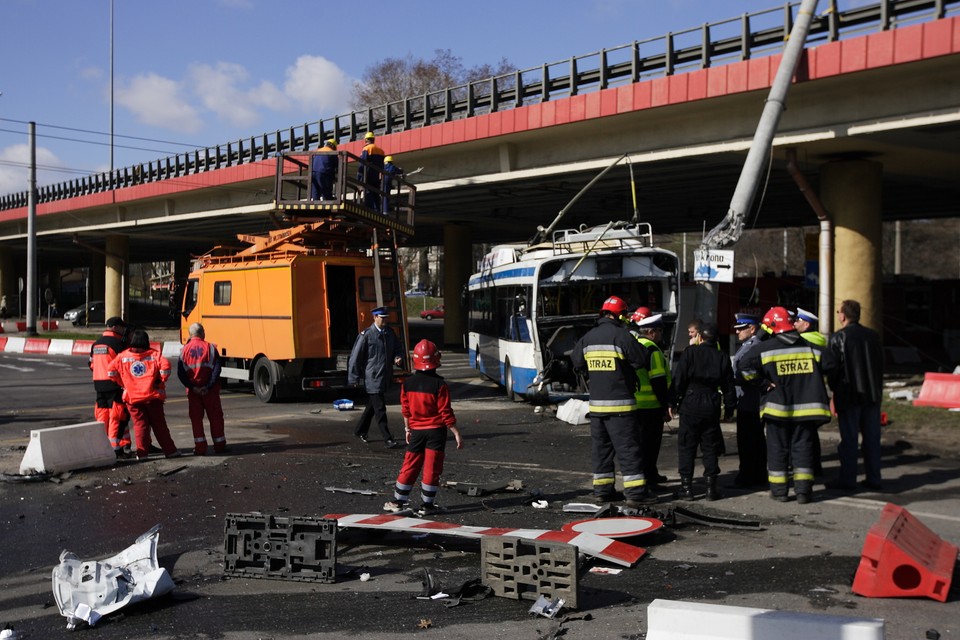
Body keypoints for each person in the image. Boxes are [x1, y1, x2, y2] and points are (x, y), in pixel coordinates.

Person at [740, 307, 836, 504]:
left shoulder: (765, 349)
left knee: (777, 449)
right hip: (807, 410)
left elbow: (744, 366)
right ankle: (803, 492)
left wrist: (763, 384)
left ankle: (779, 491)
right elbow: (832, 363)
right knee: (803, 449)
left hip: (777, 409)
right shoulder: (810, 348)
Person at [571, 296, 657, 507]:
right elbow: (641, 360)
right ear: (620, 315)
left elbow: (576, 361)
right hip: (622, 407)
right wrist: (634, 338)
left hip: (597, 408)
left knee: (601, 451)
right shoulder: (622, 336)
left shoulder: (588, 337)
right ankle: (636, 494)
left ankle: (603, 491)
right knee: (628, 450)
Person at [384, 340, 462, 515]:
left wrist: (407, 429)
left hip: (417, 431)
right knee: (431, 467)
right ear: (436, 360)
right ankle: (427, 505)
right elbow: (445, 411)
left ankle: (398, 501)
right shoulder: (440, 385)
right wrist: (456, 432)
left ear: (415, 360)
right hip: (436, 432)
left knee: (410, 464)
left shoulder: (407, 384)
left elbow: (406, 410)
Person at [671, 322, 736, 501]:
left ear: (700, 337)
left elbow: (679, 380)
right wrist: (730, 408)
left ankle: (686, 488)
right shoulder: (722, 357)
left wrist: (672, 401)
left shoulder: (690, 353)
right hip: (711, 404)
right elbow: (729, 385)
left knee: (687, 447)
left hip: (690, 403)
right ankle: (711, 489)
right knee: (710, 447)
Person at [828, 299, 884, 491]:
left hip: (849, 395)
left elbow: (832, 368)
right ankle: (874, 478)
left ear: (843, 315)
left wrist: (834, 389)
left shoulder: (838, 338)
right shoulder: (873, 336)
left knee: (849, 440)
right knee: (872, 439)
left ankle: (848, 479)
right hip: (872, 394)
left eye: (838, 312)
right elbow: (880, 366)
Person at [107, 329, 181, 461]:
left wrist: (123, 383)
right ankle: (170, 451)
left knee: (140, 426)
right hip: (153, 398)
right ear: (146, 341)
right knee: (160, 426)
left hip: (133, 399)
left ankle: (142, 454)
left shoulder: (122, 356)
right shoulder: (155, 355)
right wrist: (160, 380)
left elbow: (111, 372)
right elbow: (166, 368)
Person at [348, 306, 405, 448]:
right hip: (373, 377)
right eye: (382, 318)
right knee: (380, 409)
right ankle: (388, 439)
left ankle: (360, 430)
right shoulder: (366, 335)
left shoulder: (390, 333)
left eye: (386, 317)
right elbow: (355, 357)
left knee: (372, 406)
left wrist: (398, 358)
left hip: (384, 376)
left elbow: (398, 349)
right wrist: (353, 377)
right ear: (375, 317)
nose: (385, 320)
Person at [628, 308, 672, 486]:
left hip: (635, 405)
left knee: (639, 446)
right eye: (660, 331)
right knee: (651, 446)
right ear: (652, 332)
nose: (662, 334)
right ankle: (650, 480)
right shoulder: (653, 350)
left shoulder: (634, 344)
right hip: (651, 406)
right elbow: (659, 381)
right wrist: (665, 406)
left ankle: (648, 475)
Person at [177, 322, 227, 456]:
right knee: (215, 417)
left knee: (196, 420)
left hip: (194, 392)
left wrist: (193, 388)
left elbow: (181, 374)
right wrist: (208, 386)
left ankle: (200, 448)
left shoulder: (184, 351)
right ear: (202, 333)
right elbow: (217, 369)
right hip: (210, 391)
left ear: (190, 335)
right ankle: (219, 445)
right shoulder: (210, 348)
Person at [731, 313, 766, 488]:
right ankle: (755, 474)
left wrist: (738, 380)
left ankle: (748, 475)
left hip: (750, 400)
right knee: (752, 440)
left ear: (752, 329)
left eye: (741, 329)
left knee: (749, 441)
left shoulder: (754, 347)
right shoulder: (747, 345)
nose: (737, 332)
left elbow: (747, 372)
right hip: (747, 400)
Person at [89, 316, 133, 457]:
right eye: (122, 327)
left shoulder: (96, 344)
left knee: (102, 416)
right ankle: (115, 447)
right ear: (115, 327)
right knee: (117, 416)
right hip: (114, 384)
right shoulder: (118, 343)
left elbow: (91, 365)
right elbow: (124, 365)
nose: (123, 330)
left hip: (98, 384)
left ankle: (104, 445)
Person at [794, 307, 827, 476]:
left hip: (802, 393)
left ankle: (804, 468)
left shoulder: (802, 342)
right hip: (817, 392)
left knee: (802, 435)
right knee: (812, 433)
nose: (794, 323)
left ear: (806, 325)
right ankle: (816, 465)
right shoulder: (819, 340)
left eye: (798, 321)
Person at [357, 132, 385, 211]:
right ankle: (377, 210)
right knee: (376, 193)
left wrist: (359, 176)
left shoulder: (367, 148)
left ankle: (369, 209)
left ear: (365, 140)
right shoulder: (381, 151)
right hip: (376, 176)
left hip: (368, 174)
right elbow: (382, 166)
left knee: (368, 192)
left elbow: (362, 163)